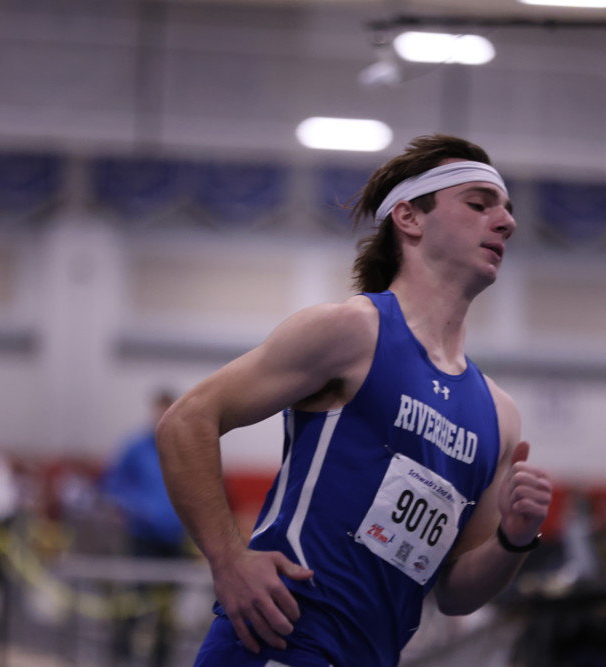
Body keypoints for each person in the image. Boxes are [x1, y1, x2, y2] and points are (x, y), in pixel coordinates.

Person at [156, 134, 554, 666]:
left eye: (507, 210)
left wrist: (514, 538)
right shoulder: (353, 331)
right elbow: (187, 421)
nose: (506, 222)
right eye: (479, 204)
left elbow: (456, 592)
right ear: (409, 218)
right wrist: (228, 559)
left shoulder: (499, 416)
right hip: (279, 642)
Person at [102, 390, 188, 666]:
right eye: (160, 409)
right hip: (142, 538)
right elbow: (113, 485)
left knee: (167, 608)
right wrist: (140, 508)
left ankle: (160, 660)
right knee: (135, 601)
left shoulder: (186, 448)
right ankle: (121, 655)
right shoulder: (135, 449)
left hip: (174, 539)